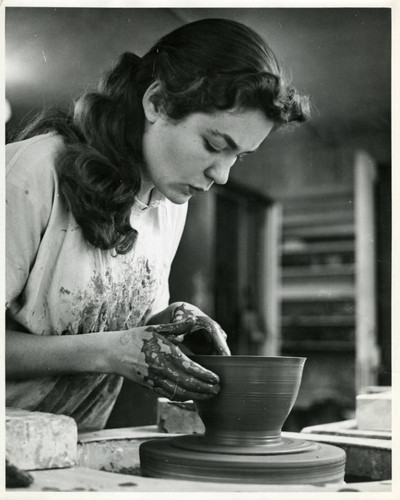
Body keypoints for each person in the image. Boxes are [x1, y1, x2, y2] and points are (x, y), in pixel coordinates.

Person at [6, 18, 310, 431]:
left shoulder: (168, 202)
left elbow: (120, 330)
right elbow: (111, 346)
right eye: (214, 145)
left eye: (238, 157)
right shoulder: (34, 172)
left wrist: (172, 319)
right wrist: (110, 353)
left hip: (69, 447)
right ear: (156, 102)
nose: (221, 175)